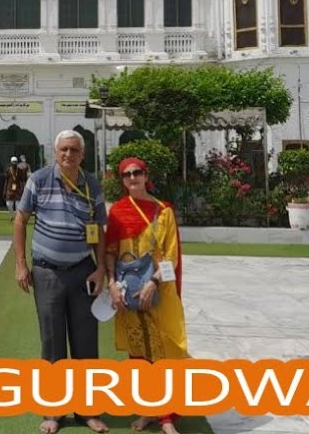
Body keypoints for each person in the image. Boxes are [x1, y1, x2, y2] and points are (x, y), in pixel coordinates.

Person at [13, 130, 109, 434]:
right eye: (64, 149)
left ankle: (87, 410)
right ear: (55, 152)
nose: (69, 154)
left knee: (85, 343)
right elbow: (20, 219)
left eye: (75, 150)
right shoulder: (39, 179)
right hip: (47, 272)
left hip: (83, 271)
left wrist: (101, 269)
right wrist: (20, 264)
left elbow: (98, 228)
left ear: (83, 154)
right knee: (52, 342)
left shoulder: (92, 184)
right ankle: (53, 410)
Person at [105, 157, 188, 434]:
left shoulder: (163, 212)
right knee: (138, 354)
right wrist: (112, 284)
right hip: (129, 292)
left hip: (158, 292)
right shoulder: (116, 212)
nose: (132, 178)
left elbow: (172, 255)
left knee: (163, 354)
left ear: (146, 175)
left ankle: (166, 417)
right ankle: (146, 410)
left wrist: (153, 282)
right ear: (122, 180)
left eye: (137, 173)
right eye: (127, 175)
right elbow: (110, 252)